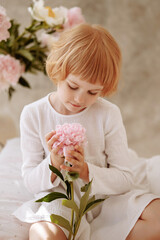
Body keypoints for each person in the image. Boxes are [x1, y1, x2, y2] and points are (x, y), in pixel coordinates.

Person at [13, 23, 160, 240]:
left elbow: (125, 178)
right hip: (61, 201)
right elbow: (31, 181)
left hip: (104, 199)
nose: (80, 99)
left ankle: (102, 234)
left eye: (93, 92)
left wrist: (85, 171)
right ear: (58, 70)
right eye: (73, 86)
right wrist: (53, 163)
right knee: (42, 233)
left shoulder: (108, 114)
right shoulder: (33, 114)